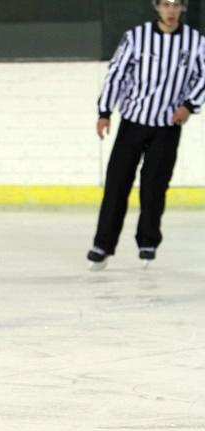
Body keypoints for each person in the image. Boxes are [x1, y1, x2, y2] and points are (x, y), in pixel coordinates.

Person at [88, 0, 205, 270]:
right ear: (157, 7)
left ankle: (148, 242)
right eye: (166, 4)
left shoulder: (195, 41)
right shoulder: (135, 37)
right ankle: (103, 244)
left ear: (183, 8)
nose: (171, 11)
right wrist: (105, 111)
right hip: (133, 122)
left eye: (176, 5)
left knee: (154, 186)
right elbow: (116, 74)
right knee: (117, 183)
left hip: (167, 126)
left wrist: (189, 105)